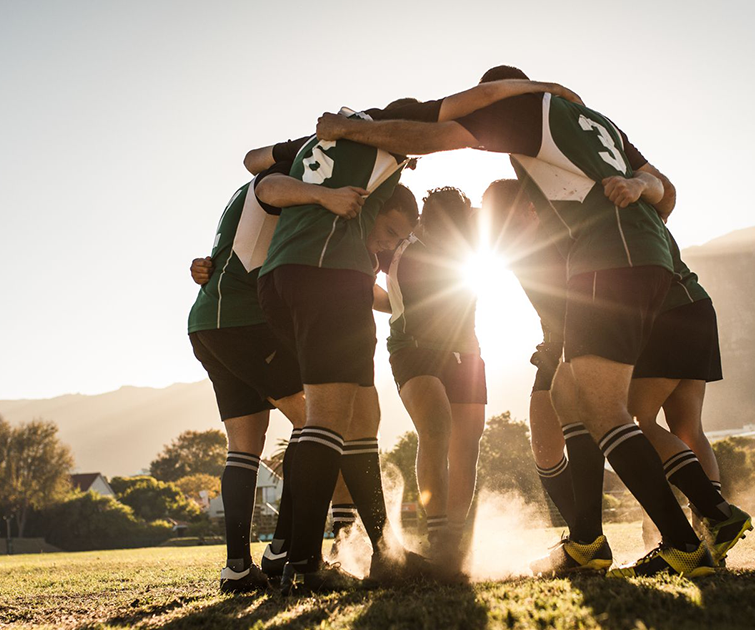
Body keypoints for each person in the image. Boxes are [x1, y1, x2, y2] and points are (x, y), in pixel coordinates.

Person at [316, 65, 751, 578]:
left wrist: (350, 131)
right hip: (653, 258)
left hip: (605, 260)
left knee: (605, 411)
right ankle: (594, 538)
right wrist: (635, 201)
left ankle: (688, 535)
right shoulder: (598, 124)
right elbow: (667, 193)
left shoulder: (525, 109)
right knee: (571, 397)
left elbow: (430, 134)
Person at [251, 79, 586, 595]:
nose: (414, 158)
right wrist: (542, 89)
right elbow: (476, 102)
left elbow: (257, 166)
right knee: (344, 422)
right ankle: (307, 561)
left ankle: (395, 550)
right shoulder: (387, 131)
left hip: (284, 281)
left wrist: (323, 161)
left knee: (364, 420)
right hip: (333, 280)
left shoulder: (324, 142)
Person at [186, 157, 318, 593]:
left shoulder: (239, 198)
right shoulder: (278, 182)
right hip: (240, 320)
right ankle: (281, 547)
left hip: (210, 323)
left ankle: (238, 568)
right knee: (314, 420)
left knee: (244, 447)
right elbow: (269, 188)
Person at [482, 179, 611, 576]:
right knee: (544, 446)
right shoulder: (509, 244)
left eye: (501, 214)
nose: (495, 224)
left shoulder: (562, 232)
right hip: (554, 342)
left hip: (589, 336)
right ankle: (586, 538)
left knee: (596, 428)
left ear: (530, 207)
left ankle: (588, 541)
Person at [381, 187, 486, 573]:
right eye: (431, 221)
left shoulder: (470, 247)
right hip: (414, 347)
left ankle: (454, 538)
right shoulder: (398, 246)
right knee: (437, 428)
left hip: (466, 352)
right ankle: (439, 535)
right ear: (423, 219)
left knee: (467, 444)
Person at [630, 225, 748, 563]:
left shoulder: (612, 209)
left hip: (664, 315)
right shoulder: (643, 203)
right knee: (688, 428)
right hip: (696, 306)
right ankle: (712, 537)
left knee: (633, 424)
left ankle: (708, 518)